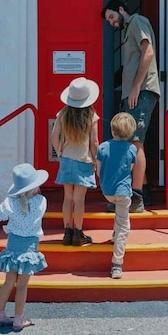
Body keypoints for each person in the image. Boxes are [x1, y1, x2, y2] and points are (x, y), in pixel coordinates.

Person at [101, 0, 160, 213]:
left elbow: (148, 52)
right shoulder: (128, 31)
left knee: (135, 142)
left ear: (121, 9)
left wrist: (136, 86)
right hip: (133, 92)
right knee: (132, 140)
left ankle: (136, 199)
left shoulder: (137, 21)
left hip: (141, 91)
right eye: (109, 20)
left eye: (112, 16)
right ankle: (143, 190)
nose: (111, 22)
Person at [0, 162, 48, 331]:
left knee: (8, 282)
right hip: (29, 249)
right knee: (22, 285)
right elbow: (31, 205)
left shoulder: (10, 203)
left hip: (13, 247)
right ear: (35, 186)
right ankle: (18, 319)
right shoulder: (41, 201)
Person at [50, 77, 100, 246]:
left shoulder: (63, 113)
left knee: (67, 198)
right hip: (83, 160)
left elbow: (54, 135)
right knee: (79, 199)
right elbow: (94, 142)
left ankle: (67, 232)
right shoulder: (91, 116)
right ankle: (78, 233)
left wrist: (60, 152)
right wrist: (96, 160)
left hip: (66, 160)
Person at [95, 112, 138, 279]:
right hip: (123, 192)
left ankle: (114, 236)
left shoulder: (103, 147)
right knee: (123, 226)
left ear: (112, 129)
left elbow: (98, 170)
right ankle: (117, 264)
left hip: (107, 191)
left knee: (119, 219)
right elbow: (131, 168)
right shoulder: (132, 148)